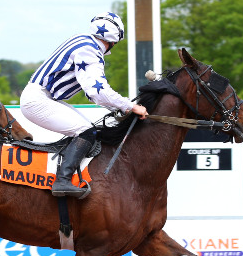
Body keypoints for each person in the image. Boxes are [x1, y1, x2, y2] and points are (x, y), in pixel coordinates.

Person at [20, 12, 149, 199]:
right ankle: (62, 181)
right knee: (86, 132)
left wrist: (120, 108)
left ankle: (66, 175)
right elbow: (98, 91)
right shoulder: (90, 52)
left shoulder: (82, 40)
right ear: (114, 40)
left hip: (42, 97)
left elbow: (92, 94)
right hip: (39, 100)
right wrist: (130, 106)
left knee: (90, 130)